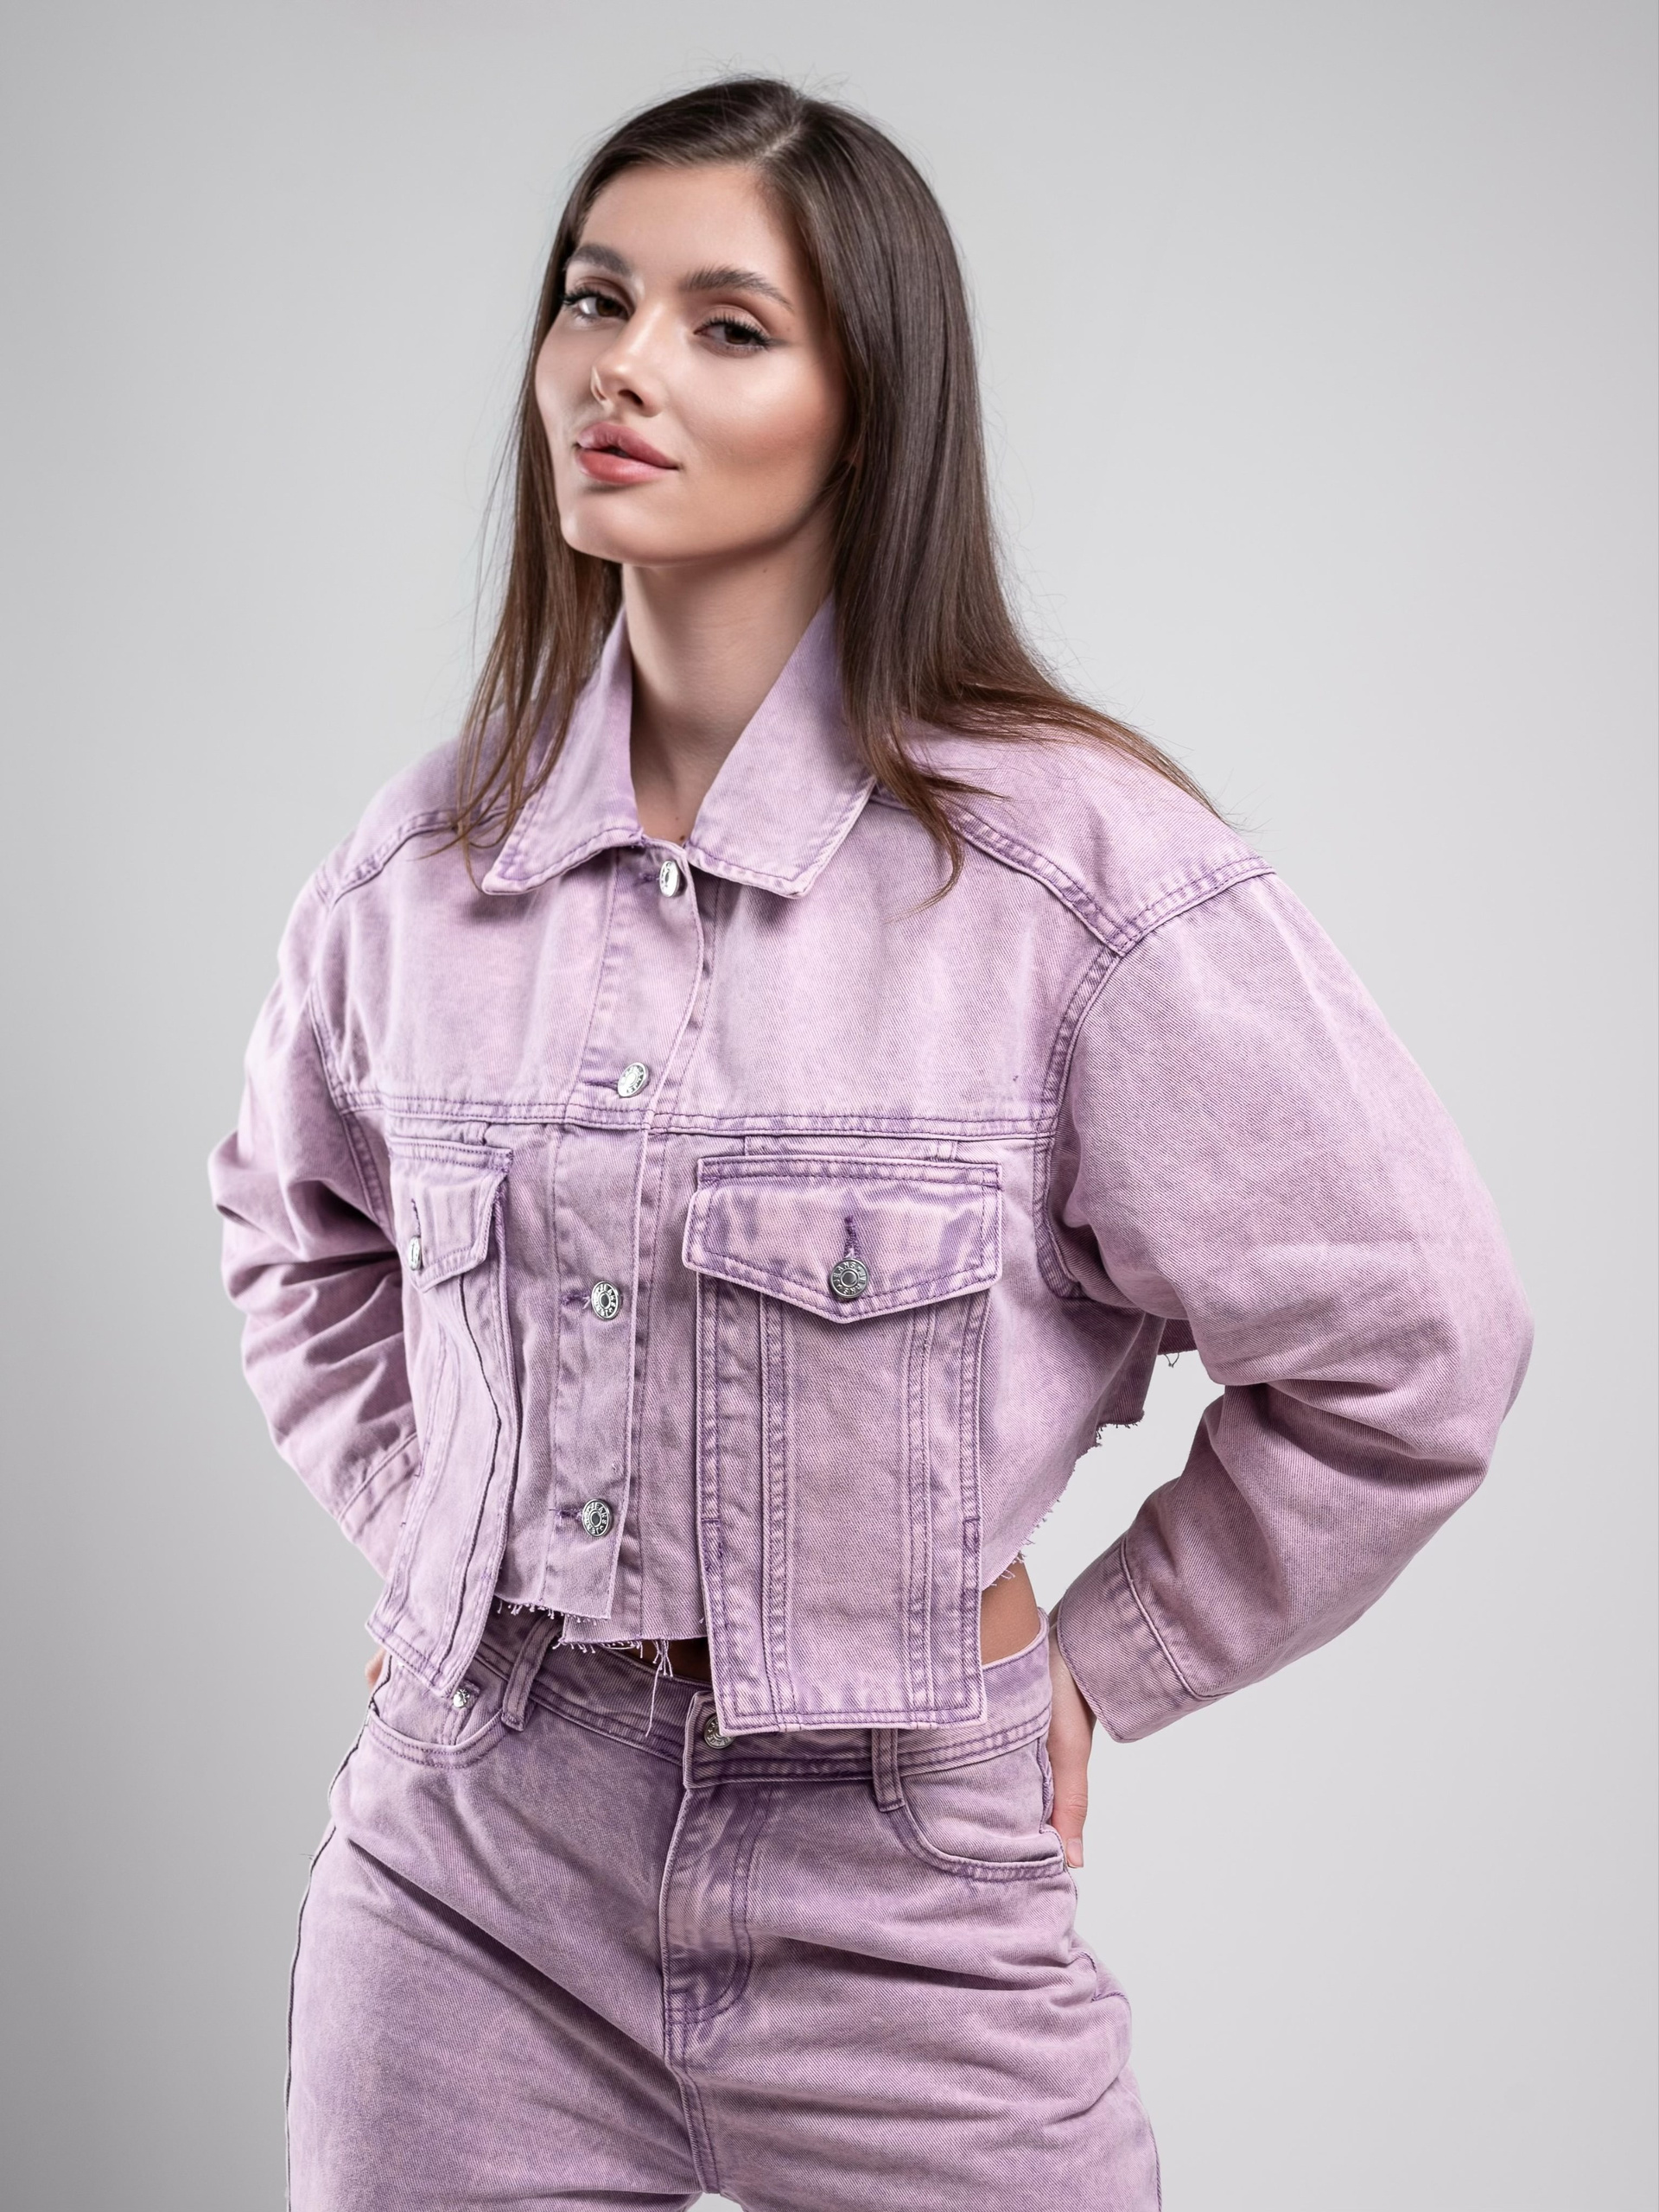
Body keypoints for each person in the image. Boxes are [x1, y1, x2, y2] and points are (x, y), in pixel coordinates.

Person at [208, 74, 1531, 2212]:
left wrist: (1109, 1657)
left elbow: (1418, 1341)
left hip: (909, 1884)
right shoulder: (421, 866)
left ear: (867, 411)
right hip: (468, 1878)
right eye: (593, 300)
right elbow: (296, 1234)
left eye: (727, 325)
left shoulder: (1075, 877)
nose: (622, 366)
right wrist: (434, 1525)